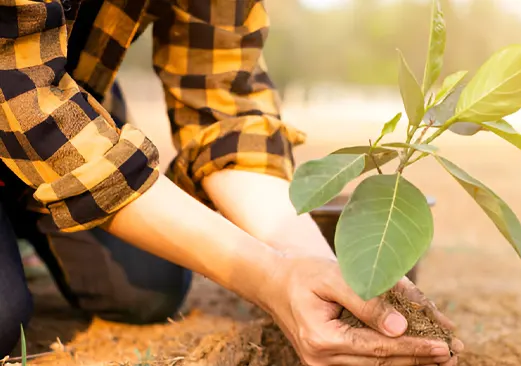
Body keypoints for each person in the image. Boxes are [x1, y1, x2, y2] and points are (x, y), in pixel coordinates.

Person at [0, 0, 463, 364]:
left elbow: (225, 105)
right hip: (24, 100)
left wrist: (314, 264)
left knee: (145, 289)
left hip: (72, 110)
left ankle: (25, 211)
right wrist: (270, 278)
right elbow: (22, 94)